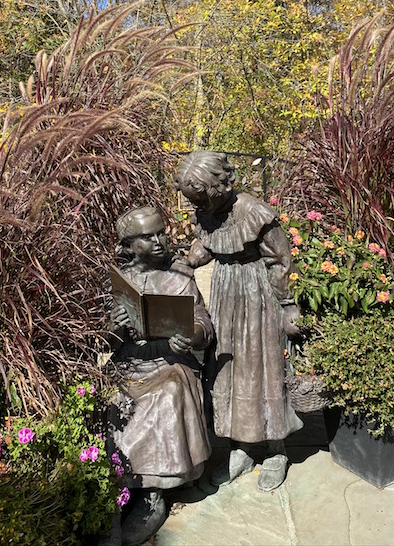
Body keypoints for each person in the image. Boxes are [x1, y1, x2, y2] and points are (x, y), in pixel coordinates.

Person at [175, 151, 301, 492]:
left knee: (264, 369)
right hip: (225, 293)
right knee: (229, 369)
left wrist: (288, 305)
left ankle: (276, 449)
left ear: (218, 186)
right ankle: (242, 447)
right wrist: (189, 261)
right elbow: (209, 244)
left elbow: (280, 260)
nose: (197, 207)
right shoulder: (207, 213)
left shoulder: (254, 212)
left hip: (257, 294)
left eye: (200, 198)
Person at [108, 205, 214, 546]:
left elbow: (203, 322)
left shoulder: (179, 275)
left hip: (170, 360)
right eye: (147, 237)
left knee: (167, 393)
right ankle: (118, 491)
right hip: (130, 361)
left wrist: (192, 335)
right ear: (128, 244)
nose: (158, 242)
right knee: (111, 399)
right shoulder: (117, 279)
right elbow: (100, 337)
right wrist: (114, 328)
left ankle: (152, 494)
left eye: (161, 233)